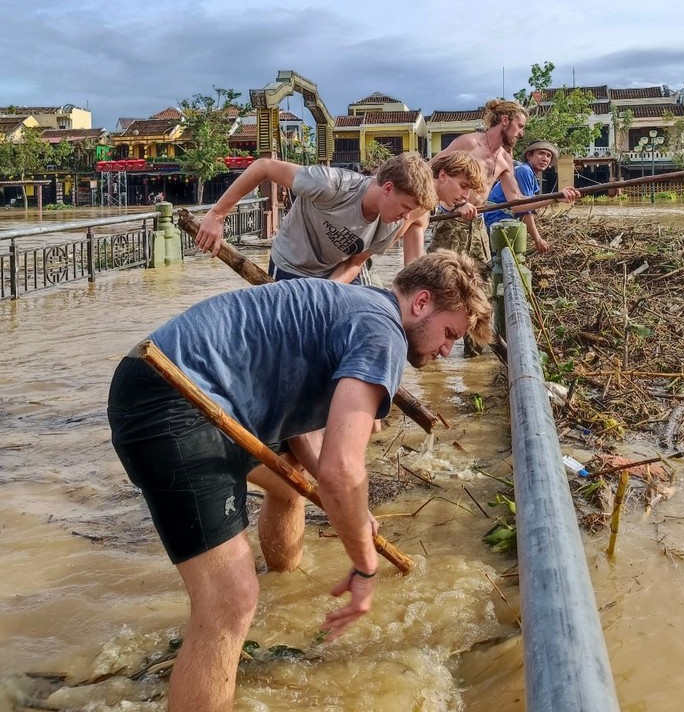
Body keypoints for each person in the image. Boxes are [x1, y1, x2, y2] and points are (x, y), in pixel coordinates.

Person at [108, 250, 493, 712]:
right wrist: (364, 563)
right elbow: (342, 470)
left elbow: (300, 436)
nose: (448, 350)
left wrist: (350, 509)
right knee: (229, 601)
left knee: (287, 485)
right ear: (421, 303)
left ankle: (281, 592)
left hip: (177, 388)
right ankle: (238, 621)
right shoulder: (382, 332)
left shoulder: (359, 307)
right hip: (172, 398)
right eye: (450, 334)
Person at [195, 151, 438, 285]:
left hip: (332, 273)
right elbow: (263, 167)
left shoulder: (390, 225)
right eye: (406, 207)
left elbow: (354, 263)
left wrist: (327, 291)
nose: (406, 217)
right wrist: (217, 214)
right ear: (387, 189)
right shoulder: (330, 184)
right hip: (292, 265)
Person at [404, 99, 529, 355]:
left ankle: (474, 356)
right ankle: (428, 352)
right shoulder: (469, 143)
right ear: (504, 121)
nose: (521, 132)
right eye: (520, 125)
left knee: (479, 292)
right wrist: (454, 204)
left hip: (478, 226)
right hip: (451, 223)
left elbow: (517, 202)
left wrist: (559, 197)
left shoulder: (505, 158)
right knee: (440, 287)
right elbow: (432, 171)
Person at [483, 140, 582, 252]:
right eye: (541, 153)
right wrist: (538, 239)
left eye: (548, 156)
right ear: (529, 156)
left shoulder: (527, 172)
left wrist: (556, 197)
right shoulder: (524, 171)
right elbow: (524, 209)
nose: (545, 159)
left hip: (500, 219)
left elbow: (529, 203)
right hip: (496, 219)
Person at [400, 150, 486, 264]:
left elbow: (412, 264)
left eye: (469, 189)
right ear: (443, 175)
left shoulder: (425, 210)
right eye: (463, 186)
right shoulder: (418, 201)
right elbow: (382, 241)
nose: (466, 195)